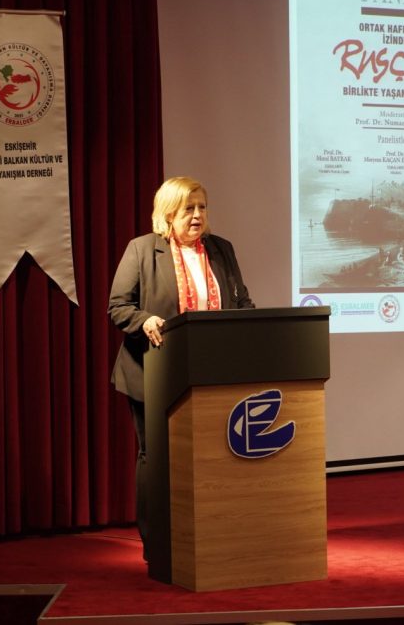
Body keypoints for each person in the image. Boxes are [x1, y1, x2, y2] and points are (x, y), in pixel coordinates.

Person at [107, 176, 254, 557]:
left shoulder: (221, 249)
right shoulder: (142, 250)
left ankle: (207, 533)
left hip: (211, 373)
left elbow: (242, 303)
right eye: (189, 208)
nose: (197, 215)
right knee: (156, 456)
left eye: (202, 207)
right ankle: (157, 542)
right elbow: (118, 306)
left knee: (211, 455)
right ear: (169, 213)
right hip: (153, 371)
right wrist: (145, 321)